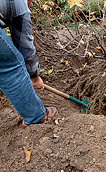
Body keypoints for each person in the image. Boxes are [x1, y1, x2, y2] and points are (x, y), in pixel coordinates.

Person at [0, 0, 57, 128]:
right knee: (10, 64)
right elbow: (24, 45)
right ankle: (36, 116)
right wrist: (35, 77)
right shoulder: (20, 5)